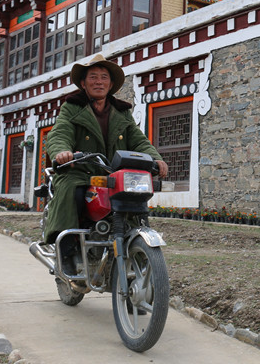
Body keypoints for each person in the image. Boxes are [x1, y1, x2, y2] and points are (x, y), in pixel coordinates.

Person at [45, 53, 168, 274]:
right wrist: (62, 152)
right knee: (72, 190)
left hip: (112, 173)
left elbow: (138, 140)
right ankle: (68, 250)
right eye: (93, 77)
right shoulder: (72, 107)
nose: (98, 82)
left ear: (111, 84)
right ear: (83, 83)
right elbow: (60, 133)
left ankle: (134, 244)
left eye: (104, 77)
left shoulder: (122, 111)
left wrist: (154, 157)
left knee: (133, 196)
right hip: (80, 171)